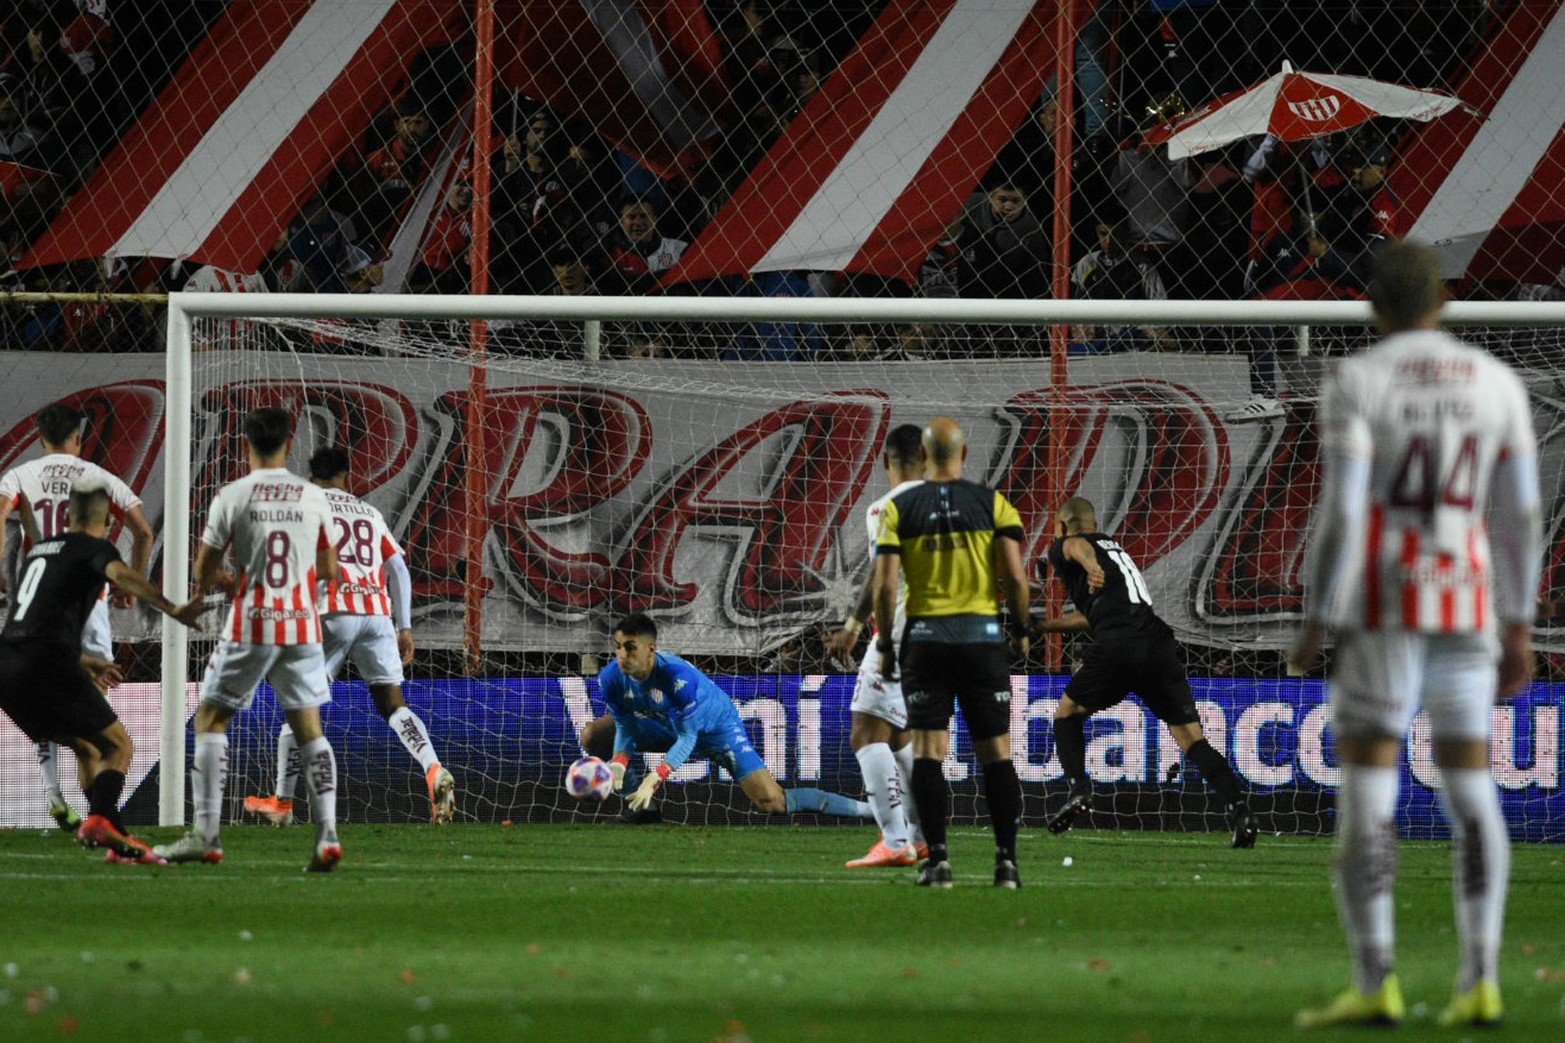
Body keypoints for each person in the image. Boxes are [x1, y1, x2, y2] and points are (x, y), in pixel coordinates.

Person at [1290, 240, 1540, 1029]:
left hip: (1384, 604)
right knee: (1470, 785)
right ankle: (1481, 979)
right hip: (1465, 600)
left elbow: (1342, 509)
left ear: (1373, 305)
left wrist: (1316, 615)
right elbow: (1520, 513)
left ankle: (1377, 979)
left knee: (1368, 789)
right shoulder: (1496, 383)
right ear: (1443, 301)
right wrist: (1519, 621)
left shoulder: (1357, 380)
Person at [154, 407, 345, 872]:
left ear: (246, 445)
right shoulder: (314, 496)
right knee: (309, 729)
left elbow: (203, 568)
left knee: (211, 717)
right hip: (301, 624)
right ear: (290, 444)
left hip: (253, 622)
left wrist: (228, 583)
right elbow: (329, 570)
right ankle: (327, 837)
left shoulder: (232, 496)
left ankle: (207, 834)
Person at [243, 447, 454, 827]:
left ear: (311, 477)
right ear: (348, 477)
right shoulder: (369, 513)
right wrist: (403, 626)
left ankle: (284, 802)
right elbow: (399, 569)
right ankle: (433, 766)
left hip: (331, 614)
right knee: (393, 704)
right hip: (376, 615)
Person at [1036, 497, 1257, 848]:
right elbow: (1098, 614)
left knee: (1066, 714)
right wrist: (1047, 626)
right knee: (1192, 738)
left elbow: (1076, 547)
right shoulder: (1115, 550)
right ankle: (1240, 811)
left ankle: (1079, 788)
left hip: (1118, 646)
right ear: (1095, 523)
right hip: (1156, 643)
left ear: (1062, 526)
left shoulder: (1066, 545)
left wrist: (1089, 564)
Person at [0, 479, 201, 863]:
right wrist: (174, 609)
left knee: (88, 747)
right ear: (109, 519)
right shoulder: (95, 548)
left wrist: (82, 660)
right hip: (46, 664)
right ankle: (102, 821)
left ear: (70, 514)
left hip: (8, 668)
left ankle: (117, 839)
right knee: (119, 745)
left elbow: (31, 622)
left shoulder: (39, 551)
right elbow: (124, 576)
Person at [872, 417, 1030, 888]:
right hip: (982, 639)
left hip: (925, 641)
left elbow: (884, 585)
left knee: (928, 752)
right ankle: (1006, 863)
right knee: (997, 753)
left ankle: (938, 861)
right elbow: (1017, 580)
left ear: (923, 454)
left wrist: (885, 643)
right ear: (965, 454)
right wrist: (1020, 630)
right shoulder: (994, 504)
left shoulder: (900, 507)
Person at [0, 401, 154, 834]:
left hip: (37, 602)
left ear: (41, 436)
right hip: (89, 604)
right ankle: (103, 817)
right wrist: (129, 583)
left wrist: (2, 575)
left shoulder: (19, 476)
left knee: (54, 714)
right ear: (79, 437)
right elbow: (144, 529)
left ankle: (68, 803)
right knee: (100, 726)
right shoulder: (98, 478)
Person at [597, 612, 872, 822]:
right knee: (596, 735)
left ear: (651, 648)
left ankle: (872, 811)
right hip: (668, 729)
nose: (622, 655)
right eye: (618, 646)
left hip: (717, 731)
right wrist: (620, 763)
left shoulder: (677, 678)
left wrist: (653, 779)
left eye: (630, 647)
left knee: (773, 802)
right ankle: (641, 809)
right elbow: (625, 725)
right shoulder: (610, 678)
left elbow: (688, 737)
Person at [825, 424, 928, 867]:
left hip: (901, 632)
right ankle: (921, 837)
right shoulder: (955, 505)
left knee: (866, 731)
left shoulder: (885, 509)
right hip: (948, 635)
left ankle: (895, 839)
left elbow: (882, 578)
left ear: (886, 461)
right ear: (925, 455)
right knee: (901, 734)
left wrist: (858, 628)